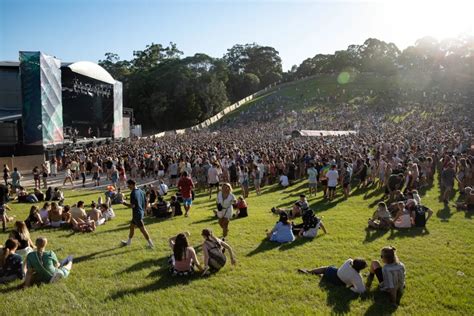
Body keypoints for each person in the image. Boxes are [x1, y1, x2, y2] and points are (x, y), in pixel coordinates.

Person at [298, 258, 368, 294]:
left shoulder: (348, 262)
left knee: (327, 268)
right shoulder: (357, 277)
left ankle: (309, 272)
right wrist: (351, 287)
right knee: (335, 271)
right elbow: (361, 290)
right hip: (339, 283)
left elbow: (351, 261)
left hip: (333, 273)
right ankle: (322, 277)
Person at [121, 179, 154, 248]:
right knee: (131, 227)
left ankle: (151, 244)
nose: (128, 187)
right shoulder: (142, 191)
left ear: (132, 184)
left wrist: (124, 203)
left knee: (142, 229)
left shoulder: (133, 193)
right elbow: (146, 202)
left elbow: (133, 205)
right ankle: (129, 242)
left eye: (128, 185)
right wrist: (144, 210)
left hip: (137, 214)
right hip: (140, 212)